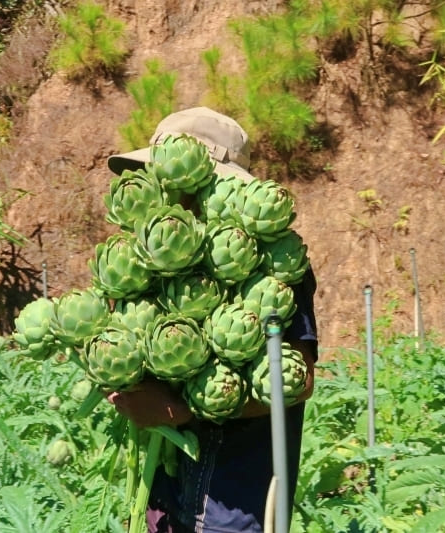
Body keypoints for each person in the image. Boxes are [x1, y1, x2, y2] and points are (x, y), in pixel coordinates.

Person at [105, 107, 318, 533]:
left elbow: (298, 382)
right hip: (162, 497)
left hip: (234, 502)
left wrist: (178, 410)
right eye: (158, 174)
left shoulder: (278, 267)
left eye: (183, 178)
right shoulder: (150, 261)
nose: (167, 188)